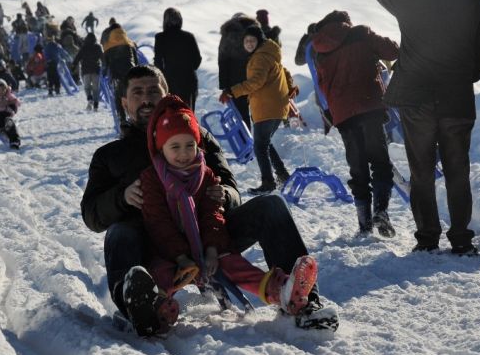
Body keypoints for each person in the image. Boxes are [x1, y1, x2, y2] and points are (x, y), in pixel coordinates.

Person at [81, 65, 319, 336]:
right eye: (137, 93)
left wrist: (224, 195)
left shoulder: (197, 137)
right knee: (118, 233)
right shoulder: (110, 156)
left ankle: (303, 303)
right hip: (150, 245)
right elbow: (91, 214)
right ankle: (141, 309)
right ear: (124, 102)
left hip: (208, 233)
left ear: (166, 94)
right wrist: (121, 198)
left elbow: (229, 186)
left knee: (271, 205)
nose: (146, 99)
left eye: (152, 91)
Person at [136, 94, 319, 335]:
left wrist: (212, 249)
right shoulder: (153, 179)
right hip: (168, 251)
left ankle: (284, 292)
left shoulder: (205, 175)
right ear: (161, 148)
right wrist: (181, 257)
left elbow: (213, 215)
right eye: (175, 147)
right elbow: (158, 223)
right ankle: (156, 306)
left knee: (233, 264)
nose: (183, 154)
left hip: (205, 244)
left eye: (190, 145)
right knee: (162, 273)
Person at [375, 0, 480, 255]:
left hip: (416, 98)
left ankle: (428, 238)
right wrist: (467, 73)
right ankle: (461, 239)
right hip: (456, 97)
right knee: (458, 169)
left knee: (421, 170)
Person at [312, 10, 399, 237]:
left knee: (358, 167)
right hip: (369, 106)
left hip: (343, 114)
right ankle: (381, 211)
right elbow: (392, 51)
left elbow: (322, 85)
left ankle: (364, 224)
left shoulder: (319, 48)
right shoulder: (360, 33)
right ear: (345, 22)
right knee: (380, 163)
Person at [220, 25, 294, 194]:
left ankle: (268, 182)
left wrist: (232, 91)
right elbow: (285, 72)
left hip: (267, 107)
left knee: (260, 146)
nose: (249, 44)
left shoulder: (260, 57)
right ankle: (282, 174)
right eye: (246, 41)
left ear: (259, 41)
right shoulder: (270, 53)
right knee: (265, 143)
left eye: (252, 40)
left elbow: (256, 82)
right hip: (277, 107)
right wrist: (289, 88)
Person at [153, 7, 202, 110]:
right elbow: (197, 60)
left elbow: (158, 62)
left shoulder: (160, 38)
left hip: (169, 81)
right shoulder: (189, 36)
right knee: (189, 114)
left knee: (173, 113)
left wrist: (162, 78)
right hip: (189, 80)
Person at [218, 13, 259, 129]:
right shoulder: (256, 32)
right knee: (260, 113)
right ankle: (264, 141)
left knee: (241, 115)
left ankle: (246, 140)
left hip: (235, 82)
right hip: (256, 79)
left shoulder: (228, 34)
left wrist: (225, 87)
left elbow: (223, 61)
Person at [102, 22, 139, 125]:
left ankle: (122, 120)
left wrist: (105, 74)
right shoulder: (130, 43)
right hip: (131, 74)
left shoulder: (108, 46)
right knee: (132, 95)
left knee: (119, 97)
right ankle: (136, 118)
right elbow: (136, 61)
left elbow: (105, 64)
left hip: (116, 75)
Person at [72, 33, 103, 111]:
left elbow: (78, 57)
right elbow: (103, 57)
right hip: (96, 69)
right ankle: (96, 105)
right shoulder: (98, 47)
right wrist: (106, 66)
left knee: (87, 87)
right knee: (96, 88)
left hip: (86, 70)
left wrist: (73, 65)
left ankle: (89, 99)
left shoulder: (84, 47)